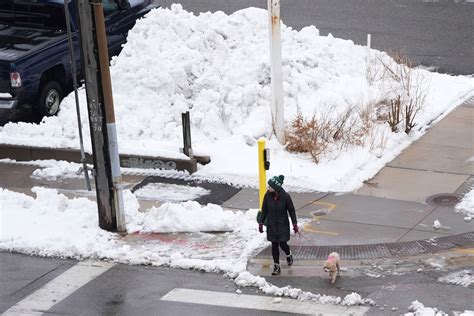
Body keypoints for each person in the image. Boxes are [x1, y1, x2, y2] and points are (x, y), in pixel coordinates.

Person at [258, 175, 298, 275]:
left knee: (283, 244)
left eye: (270, 186)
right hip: (271, 225)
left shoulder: (286, 196)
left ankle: (288, 254)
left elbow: (291, 210)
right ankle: (276, 266)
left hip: (282, 225)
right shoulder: (267, 196)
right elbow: (264, 210)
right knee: (274, 245)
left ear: (275, 187)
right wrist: (261, 222)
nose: (268, 188)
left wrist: (295, 223)